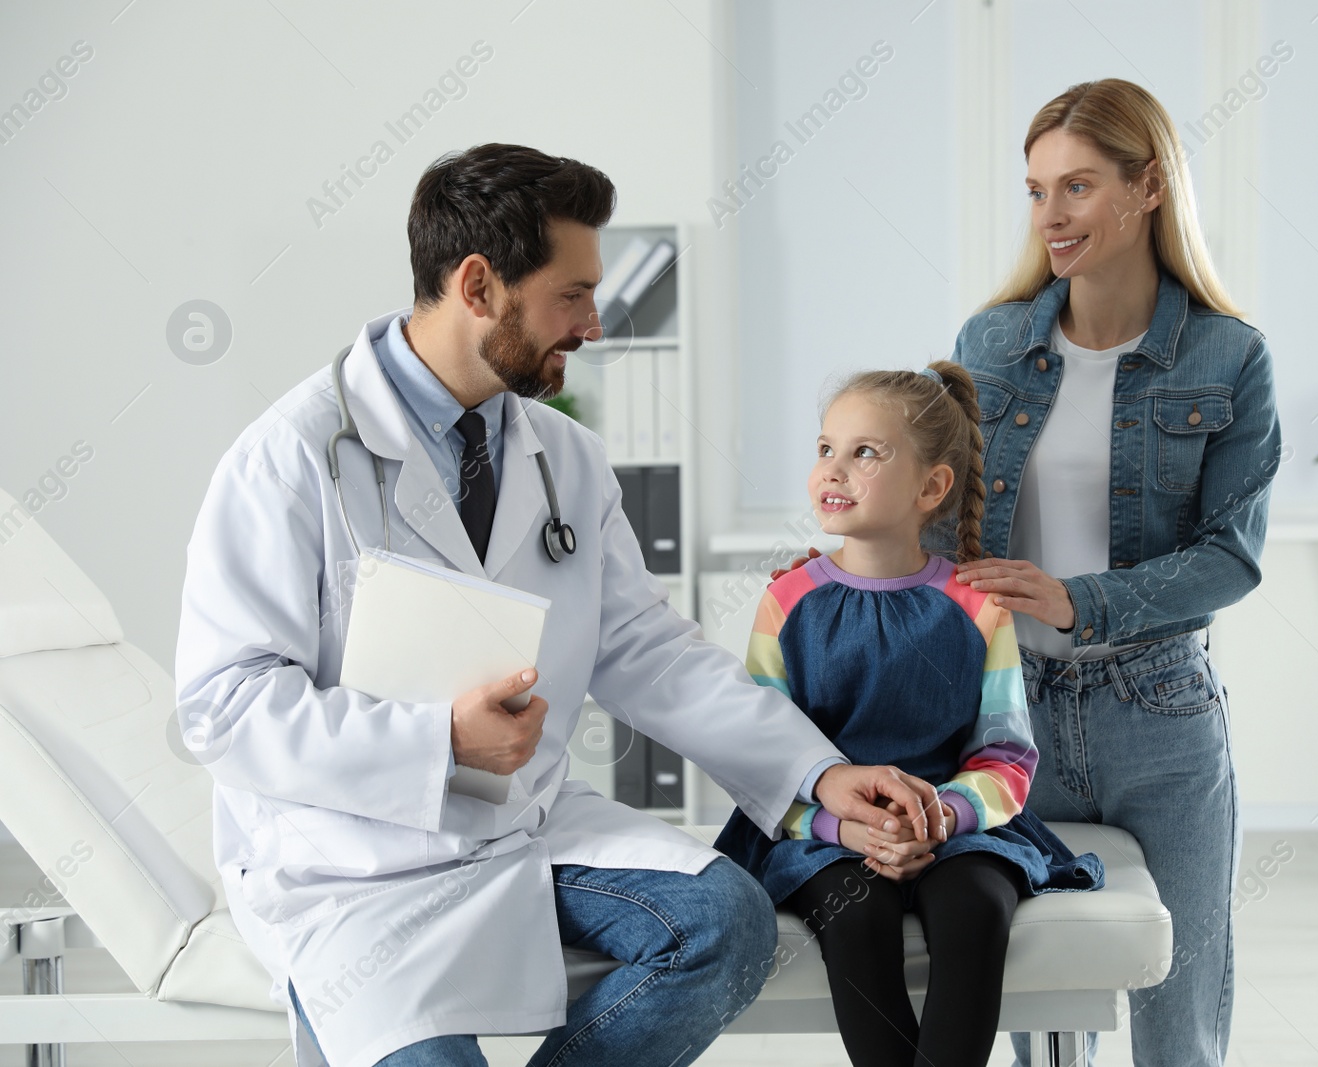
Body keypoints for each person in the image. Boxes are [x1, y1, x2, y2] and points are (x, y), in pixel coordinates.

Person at [174, 143, 944, 1067]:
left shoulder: (560, 456)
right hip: (350, 864)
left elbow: (649, 652)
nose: (595, 323)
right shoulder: (292, 458)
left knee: (729, 927)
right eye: (570, 296)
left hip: (521, 827)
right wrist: (438, 741)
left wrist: (816, 774)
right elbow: (222, 706)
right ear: (479, 284)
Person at [934, 80, 1283, 1067]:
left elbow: (1231, 552)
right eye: (1037, 189)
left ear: (1148, 188)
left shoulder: (1229, 356)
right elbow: (942, 520)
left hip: (1160, 715)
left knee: (1181, 1011)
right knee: (1043, 1007)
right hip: (1014, 709)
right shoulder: (988, 343)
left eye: (1077, 186)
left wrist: (1076, 599)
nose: (1049, 215)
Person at [717, 361, 1104, 1067]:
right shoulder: (787, 601)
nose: (833, 469)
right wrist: (845, 824)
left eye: (865, 452)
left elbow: (1007, 757)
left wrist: (942, 816)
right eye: (826, 448)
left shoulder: (975, 604)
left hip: (960, 827)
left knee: (975, 908)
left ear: (932, 486)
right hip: (826, 833)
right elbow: (762, 755)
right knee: (855, 913)